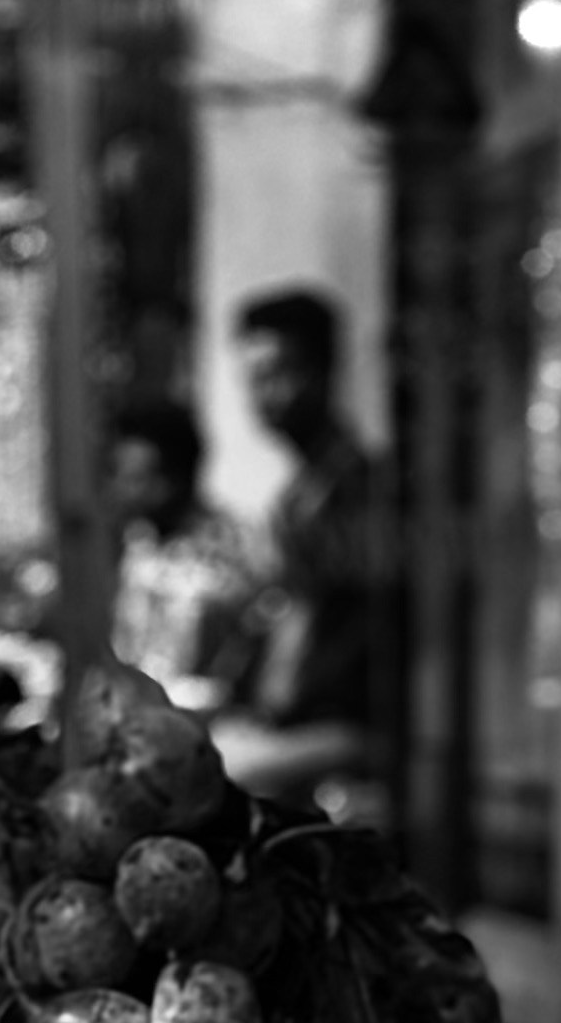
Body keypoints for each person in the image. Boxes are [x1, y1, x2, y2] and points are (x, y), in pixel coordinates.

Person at [216, 282, 391, 805]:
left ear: (323, 372)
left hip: (348, 730)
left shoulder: (359, 490)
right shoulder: (300, 493)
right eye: (252, 380)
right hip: (295, 722)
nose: (262, 398)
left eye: (276, 375)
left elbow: (350, 635)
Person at [106, 396, 256, 712]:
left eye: (134, 479)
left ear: (171, 481)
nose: (119, 490)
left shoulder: (228, 550)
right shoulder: (140, 545)